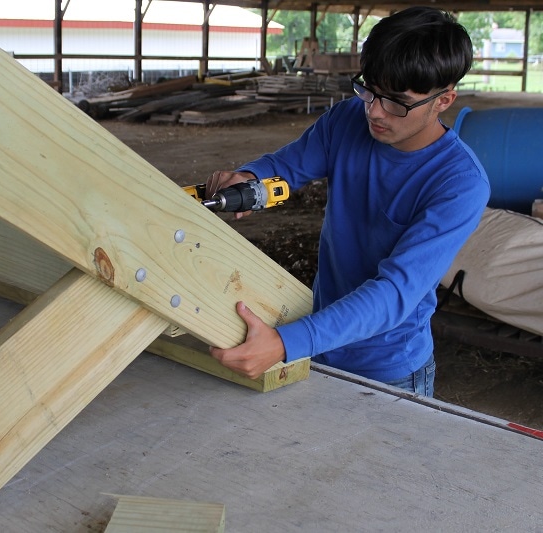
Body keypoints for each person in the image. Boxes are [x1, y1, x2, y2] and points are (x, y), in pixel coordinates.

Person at [206, 6, 490, 397]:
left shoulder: (459, 184)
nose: (373, 110)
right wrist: (249, 179)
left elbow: (394, 292)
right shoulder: (346, 121)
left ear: (444, 100)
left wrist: (286, 343)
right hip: (319, 345)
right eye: (368, 89)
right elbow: (285, 167)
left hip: (389, 370)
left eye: (396, 101)